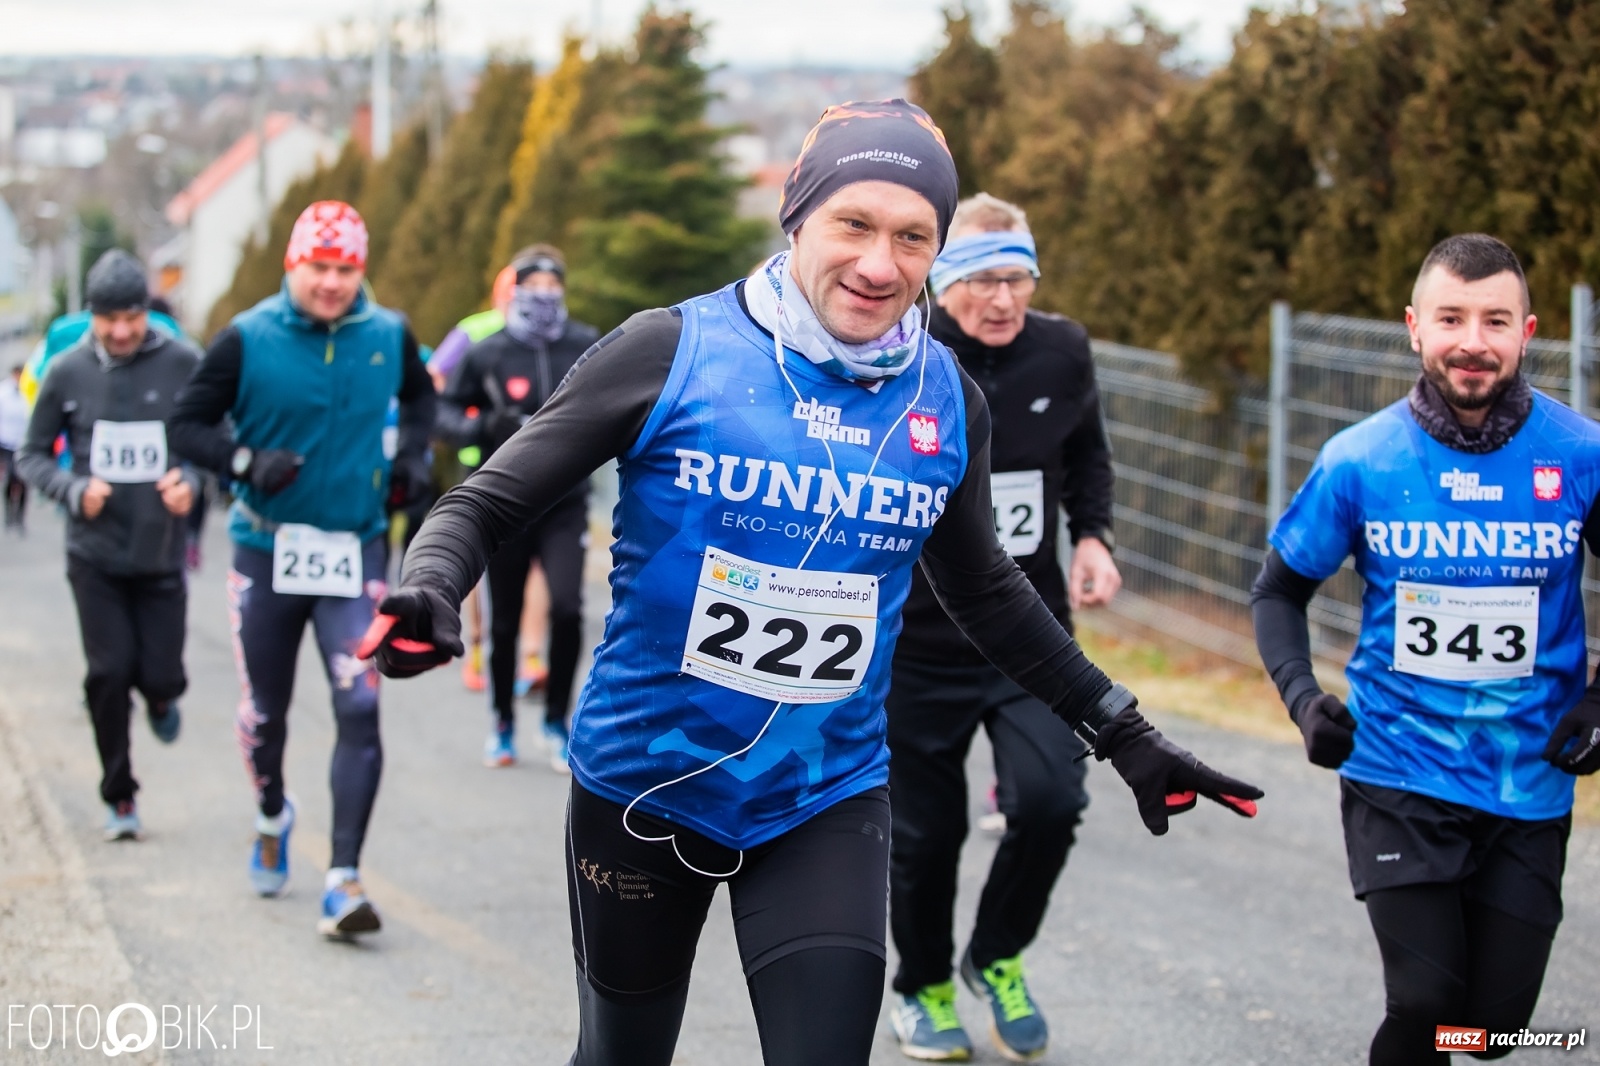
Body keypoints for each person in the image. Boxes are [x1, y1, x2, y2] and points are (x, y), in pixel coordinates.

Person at [361, 100, 1261, 1066]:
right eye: (853, 224)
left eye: (913, 237)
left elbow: (988, 591)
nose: (880, 264)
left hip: (823, 792)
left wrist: (1124, 732)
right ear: (798, 217)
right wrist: (433, 585)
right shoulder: (671, 350)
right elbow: (486, 504)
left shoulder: (945, 397)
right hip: (644, 780)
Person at [1252, 233, 1600, 1066]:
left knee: (1492, 1034)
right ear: (1415, 328)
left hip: (1528, 781)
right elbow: (1277, 592)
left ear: (1527, 332)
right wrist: (1303, 699)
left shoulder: (1580, 454)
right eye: (1451, 318)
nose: (1472, 342)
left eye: (1495, 321)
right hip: (1398, 769)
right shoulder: (1361, 460)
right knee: (1424, 1001)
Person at [885, 192, 1122, 1062]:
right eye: (983, 279)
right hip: (915, 644)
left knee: (1053, 802)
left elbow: (1087, 452)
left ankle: (996, 955)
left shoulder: (1062, 349)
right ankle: (923, 987)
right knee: (926, 836)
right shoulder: (897, 356)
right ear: (941, 281)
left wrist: (1092, 535)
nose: (1003, 298)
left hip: (1028, 636)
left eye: (1018, 279)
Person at [168, 201, 436, 938]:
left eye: (346, 269)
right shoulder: (247, 337)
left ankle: (343, 879)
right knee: (266, 712)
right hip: (267, 550)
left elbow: (422, 398)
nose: (332, 283)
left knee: (359, 705)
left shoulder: (387, 334)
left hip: (354, 551)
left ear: (361, 270)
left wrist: (414, 458)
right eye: (319, 267)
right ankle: (270, 814)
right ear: (294, 263)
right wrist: (245, 462)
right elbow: (186, 425)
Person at [15, 250, 199, 839]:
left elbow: (211, 439)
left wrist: (192, 482)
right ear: (90, 315)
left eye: (132, 318)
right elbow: (31, 456)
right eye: (108, 319)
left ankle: (163, 698)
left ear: (148, 312)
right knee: (109, 672)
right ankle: (120, 796)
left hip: (159, 552)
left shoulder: (182, 364)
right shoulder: (65, 371)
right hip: (93, 553)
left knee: (161, 676)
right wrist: (73, 490)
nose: (121, 331)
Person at [435, 245, 598, 771]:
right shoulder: (489, 351)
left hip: (565, 502)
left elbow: (614, 406)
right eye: (534, 288)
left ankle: (556, 721)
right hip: (505, 503)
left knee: (568, 609)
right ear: (515, 291)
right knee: (502, 621)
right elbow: (443, 411)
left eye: (554, 288)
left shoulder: (586, 344)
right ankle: (502, 721)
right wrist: (482, 426)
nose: (545, 297)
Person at [1, 363, 27, 531]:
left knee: (23, 481)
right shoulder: (3, 393)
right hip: (7, 442)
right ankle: (8, 516)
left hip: (24, 443)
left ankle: (19, 518)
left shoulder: (30, 391)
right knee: (10, 479)